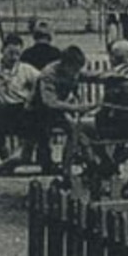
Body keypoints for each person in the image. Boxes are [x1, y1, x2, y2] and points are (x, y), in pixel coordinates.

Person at [0, 34, 44, 194]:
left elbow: (42, 82)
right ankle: (6, 160)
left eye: (17, 54)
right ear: (2, 51)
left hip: (22, 110)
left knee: (32, 137)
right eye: (10, 53)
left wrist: (32, 96)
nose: (14, 57)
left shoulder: (26, 69)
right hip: (1, 112)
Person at [34, 45, 98, 174]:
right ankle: (63, 168)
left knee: (76, 131)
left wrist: (108, 76)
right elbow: (49, 102)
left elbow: (87, 75)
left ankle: (70, 166)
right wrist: (77, 108)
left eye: (78, 69)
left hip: (56, 111)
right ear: (65, 64)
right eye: (74, 69)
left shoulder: (71, 70)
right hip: (37, 113)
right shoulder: (48, 74)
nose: (76, 74)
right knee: (70, 129)